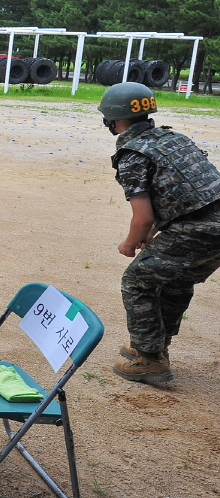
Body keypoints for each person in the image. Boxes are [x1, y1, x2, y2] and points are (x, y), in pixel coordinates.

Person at [100, 81, 220, 385]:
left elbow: (142, 217)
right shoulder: (173, 138)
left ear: (114, 119)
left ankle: (150, 360)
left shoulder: (133, 153)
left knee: (136, 280)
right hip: (211, 226)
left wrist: (131, 243)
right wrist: (151, 232)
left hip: (195, 229)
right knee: (177, 279)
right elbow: (184, 195)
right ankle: (155, 346)